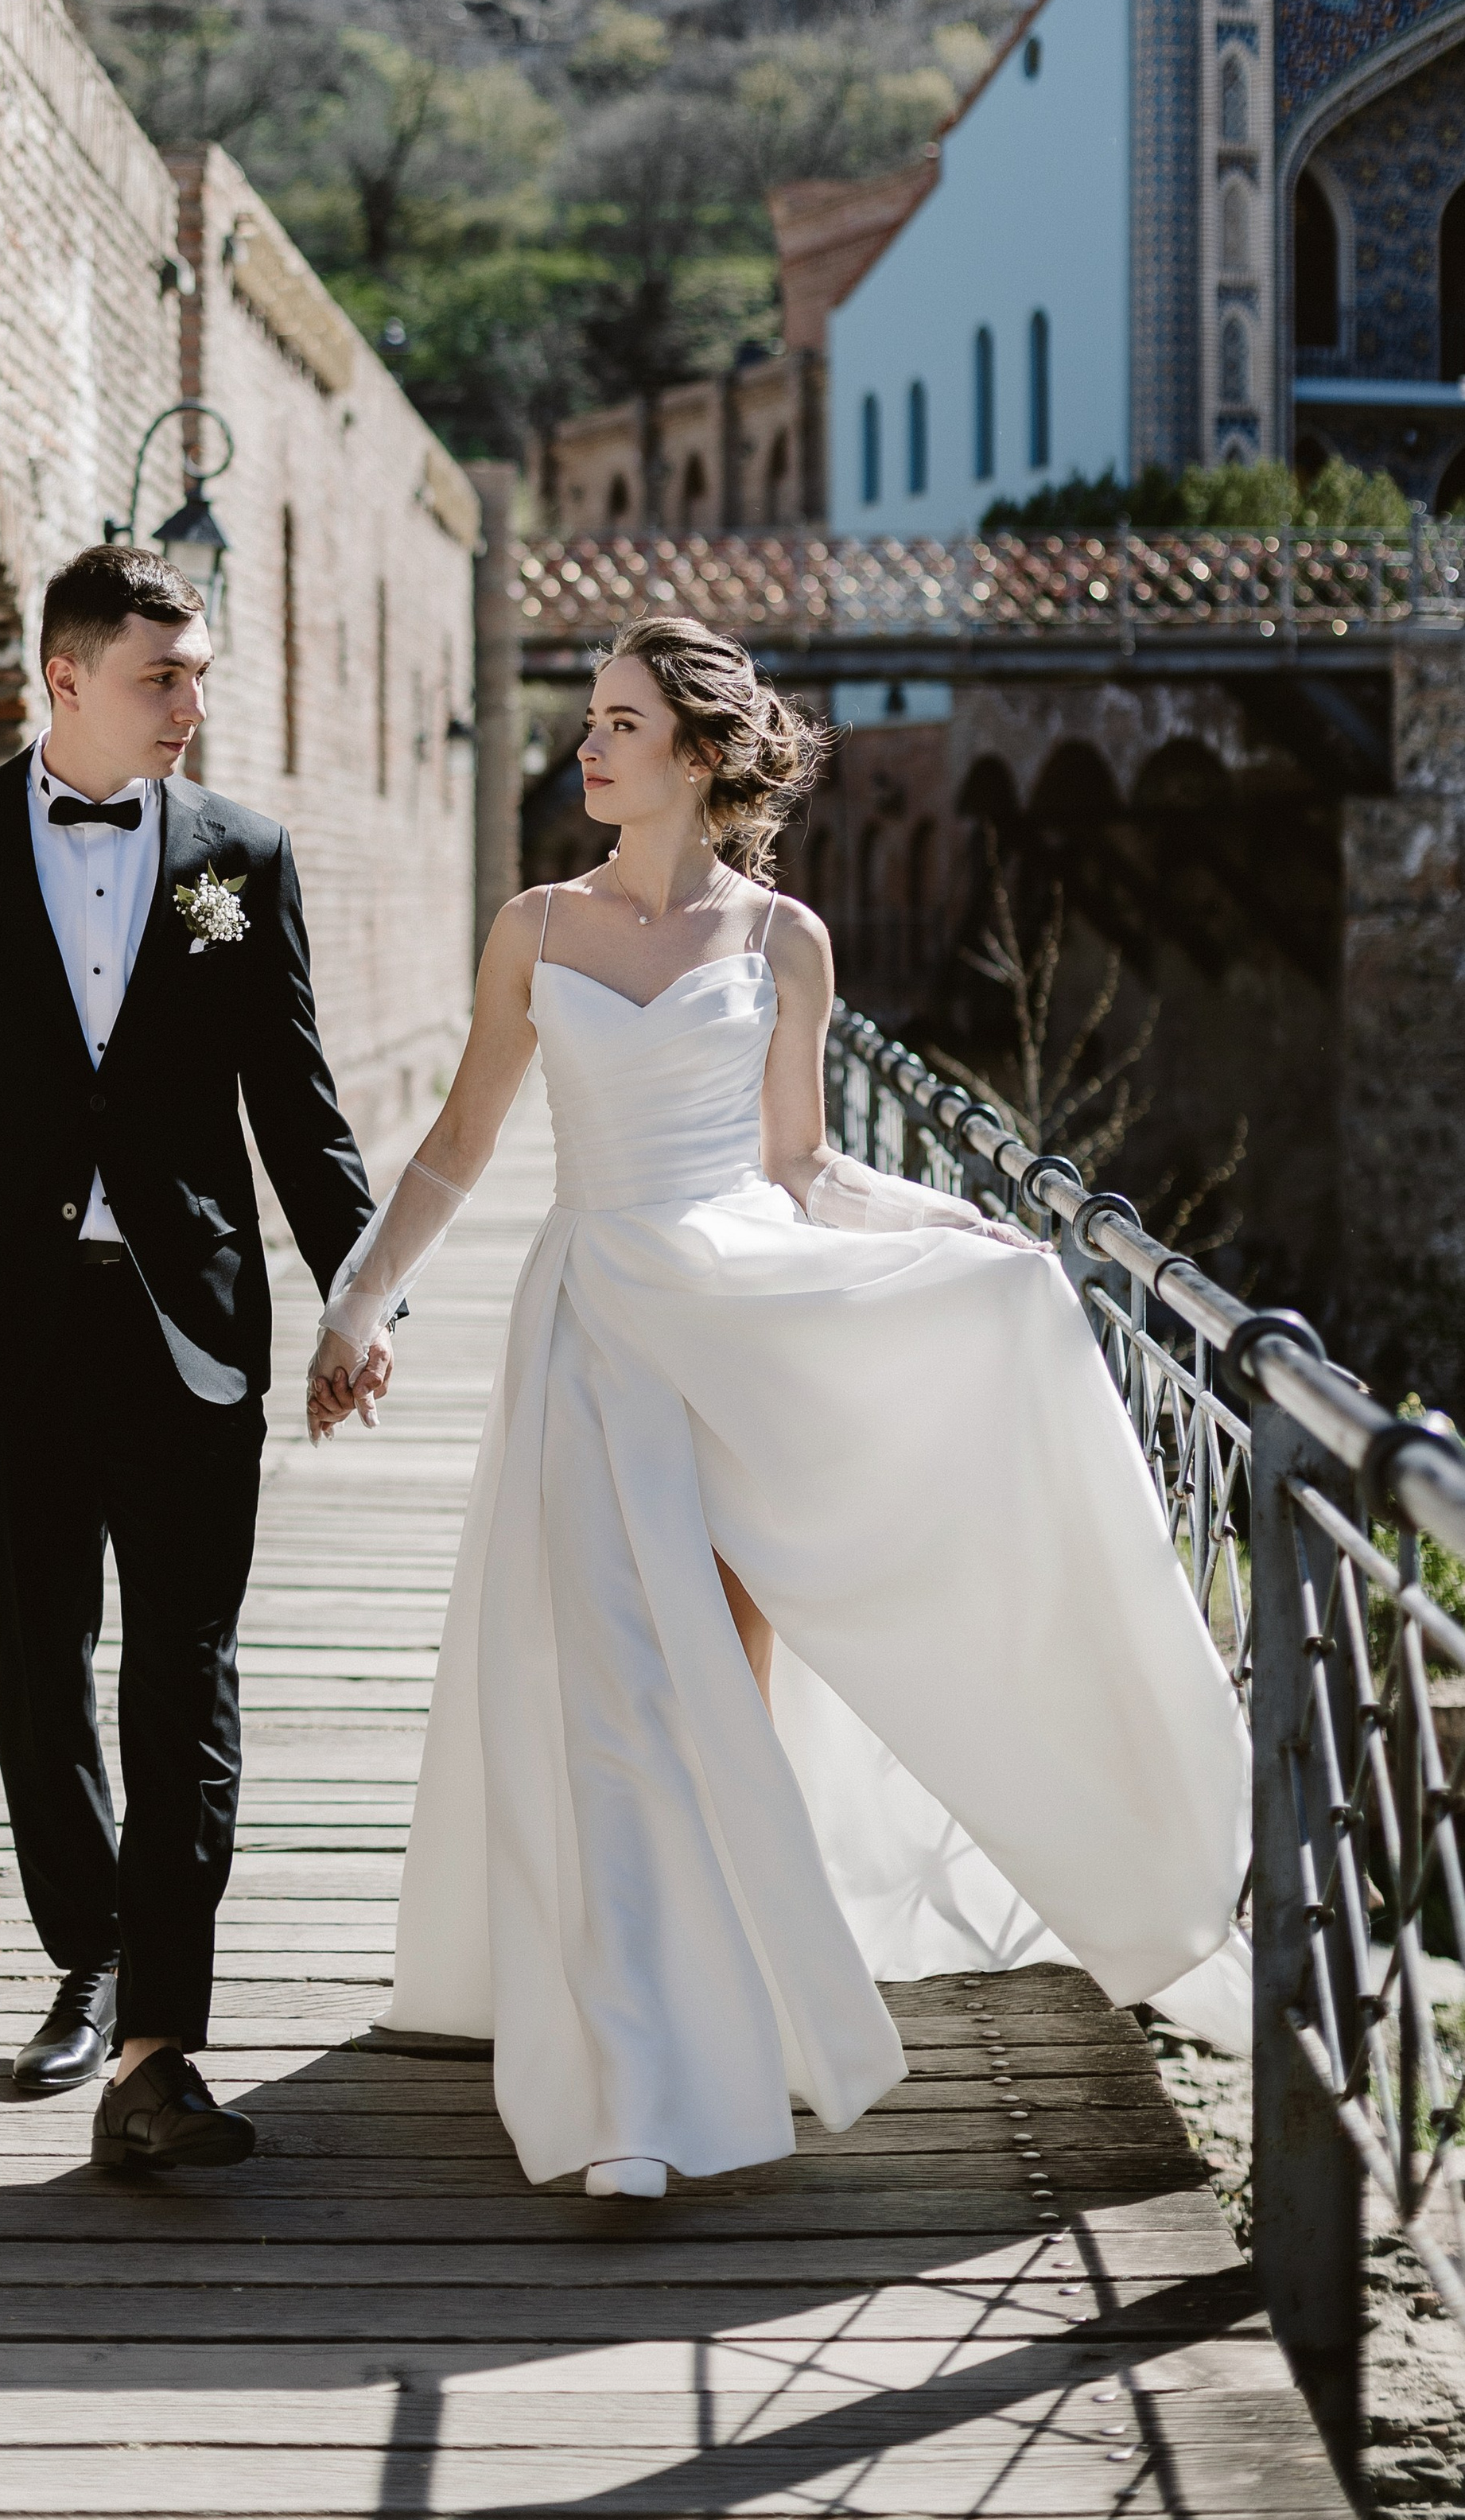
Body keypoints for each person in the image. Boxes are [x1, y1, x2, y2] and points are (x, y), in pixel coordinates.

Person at [308, 612, 1249, 2198]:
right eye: (588, 720)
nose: (584, 746)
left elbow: (796, 1168)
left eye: (614, 723)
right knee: (606, 1695)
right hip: (587, 1333)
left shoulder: (781, 942)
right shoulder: (533, 928)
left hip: (739, 1333)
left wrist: (961, 1231)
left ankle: (710, 2012)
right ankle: (620, 2097)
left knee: (700, 1705)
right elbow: (459, 1142)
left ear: (689, 752)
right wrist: (358, 1298)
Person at [0, 545, 386, 2172]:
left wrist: (362, 1292)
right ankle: (87, 1947)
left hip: (193, 1329)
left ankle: (161, 2049)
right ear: (63, 680)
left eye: (197, 676)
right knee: (42, 1663)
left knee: (187, 1673)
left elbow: (298, 1109)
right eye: (159, 678)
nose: (191, 706)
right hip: (4, 1327)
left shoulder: (240, 858)